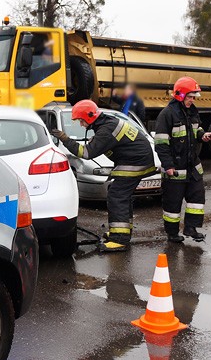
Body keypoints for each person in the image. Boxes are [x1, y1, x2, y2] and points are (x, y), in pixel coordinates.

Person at [52, 100, 155, 252]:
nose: (80, 124)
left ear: (89, 116)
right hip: (136, 160)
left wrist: (65, 139)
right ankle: (121, 232)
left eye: (81, 120)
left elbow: (85, 153)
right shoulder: (106, 124)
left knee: (117, 196)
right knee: (120, 193)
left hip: (135, 162)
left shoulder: (107, 129)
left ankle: (119, 239)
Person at [154, 77, 211, 242]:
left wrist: (203, 135)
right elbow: (160, 143)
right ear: (180, 95)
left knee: (197, 199)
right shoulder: (167, 114)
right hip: (175, 168)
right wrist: (168, 165)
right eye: (190, 97)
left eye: (194, 97)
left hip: (192, 166)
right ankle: (172, 234)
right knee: (172, 205)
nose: (192, 100)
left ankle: (191, 228)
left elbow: (197, 129)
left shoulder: (192, 111)